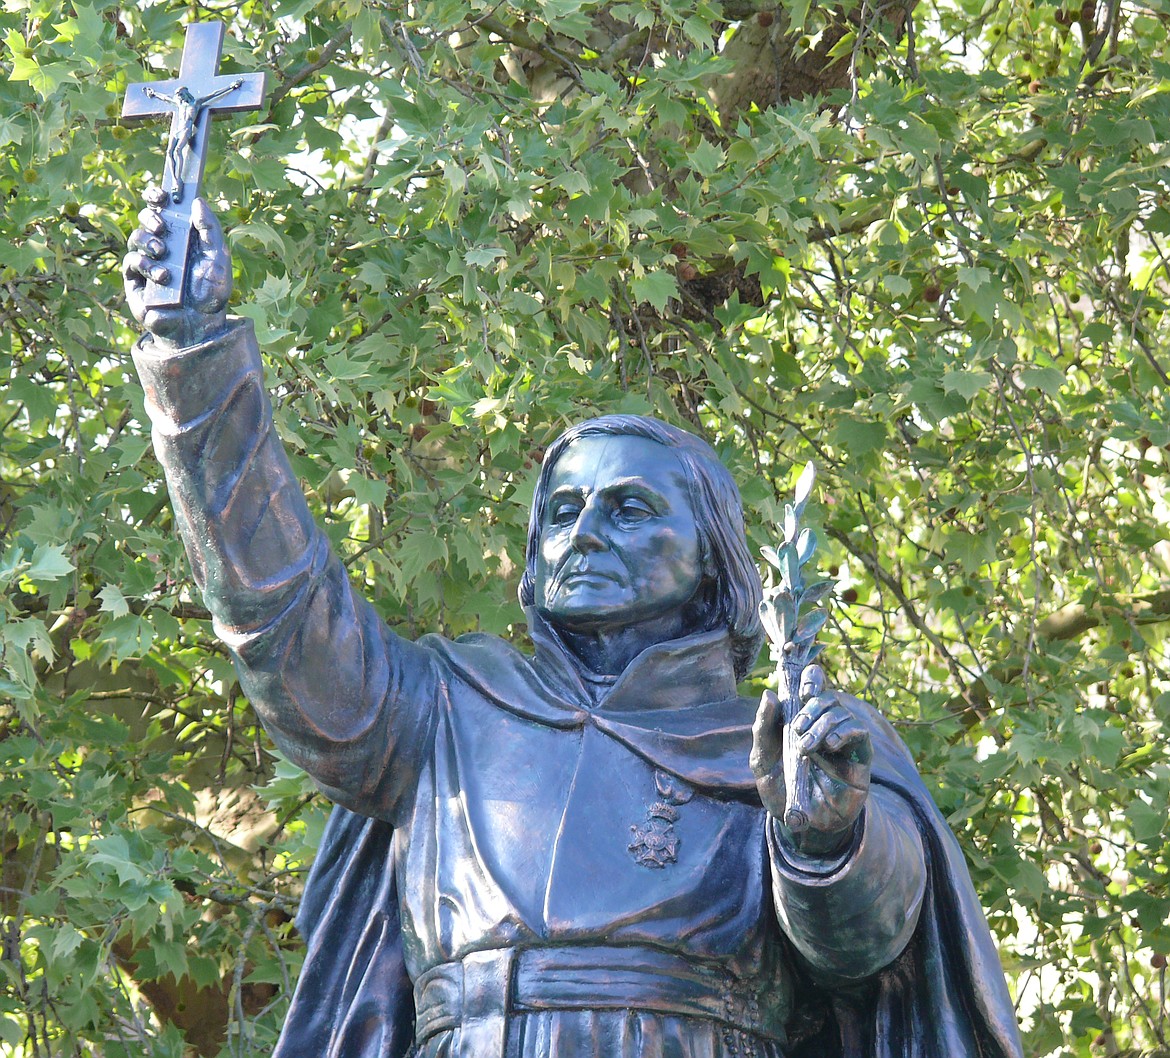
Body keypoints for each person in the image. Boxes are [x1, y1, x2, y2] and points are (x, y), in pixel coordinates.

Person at [123, 196, 1025, 1058]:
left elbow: (871, 949)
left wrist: (826, 841)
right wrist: (192, 355)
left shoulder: (790, 740)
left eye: (629, 509)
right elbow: (280, 614)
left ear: (712, 555)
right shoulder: (447, 707)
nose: (584, 531)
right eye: (561, 510)